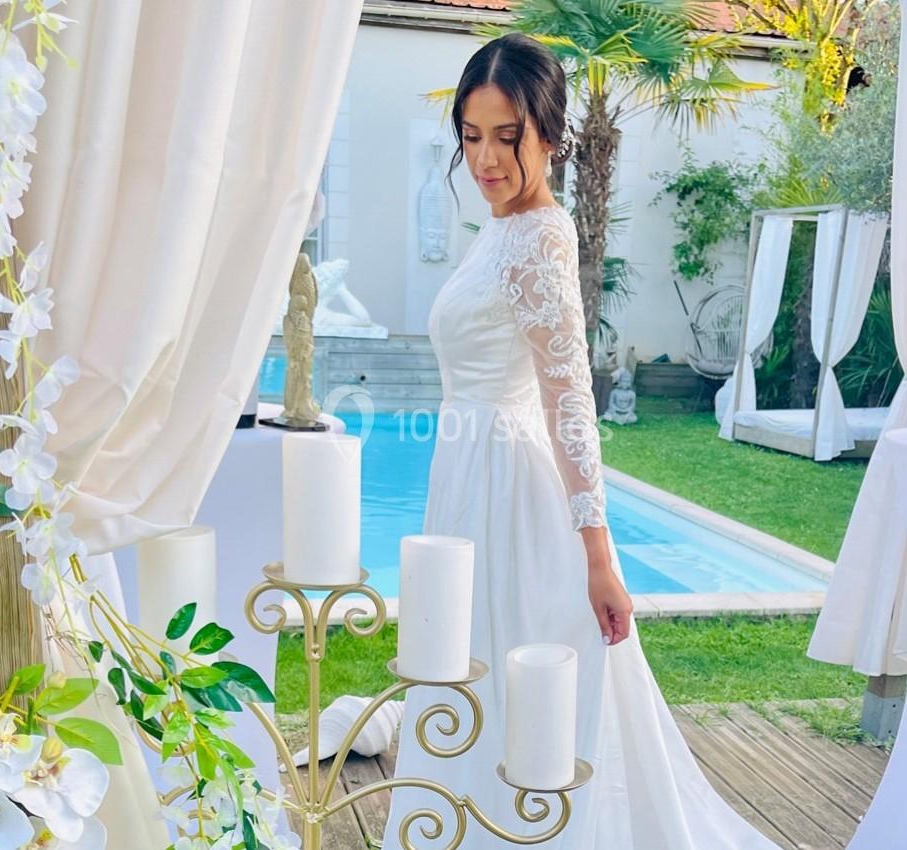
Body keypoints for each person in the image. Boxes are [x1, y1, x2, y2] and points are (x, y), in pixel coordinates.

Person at [383, 33, 778, 850]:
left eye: (507, 137)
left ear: (549, 139)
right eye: (471, 134)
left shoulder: (541, 237)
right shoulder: (499, 230)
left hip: (510, 492)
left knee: (511, 675)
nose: (486, 158)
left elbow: (570, 403)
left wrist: (599, 556)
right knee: (467, 671)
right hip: (468, 476)